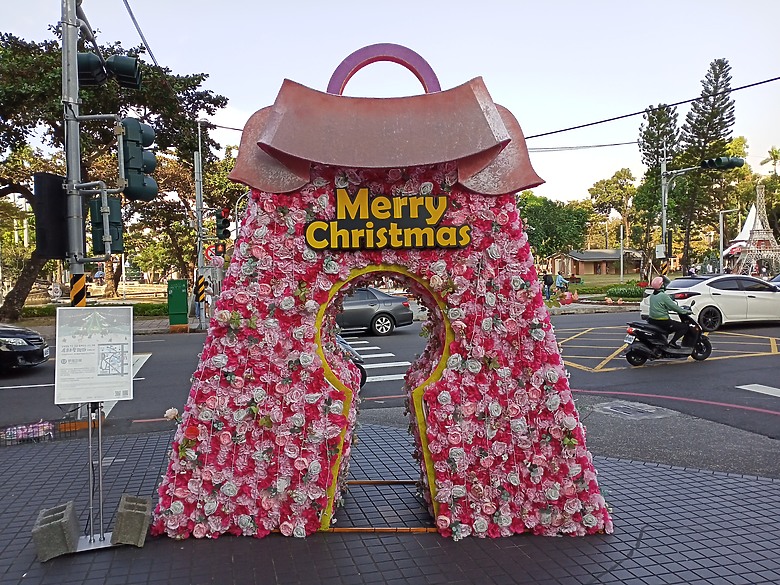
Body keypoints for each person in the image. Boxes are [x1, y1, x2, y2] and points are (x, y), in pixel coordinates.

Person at [647, 276, 691, 348]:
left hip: (652, 320)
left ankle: (663, 344)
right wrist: (685, 311)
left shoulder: (653, 295)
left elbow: (662, 306)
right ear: (662, 285)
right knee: (684, 327)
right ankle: (672, 343)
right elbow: (674, 307)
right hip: (662, 321)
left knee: (669, 329)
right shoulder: (663, 296)